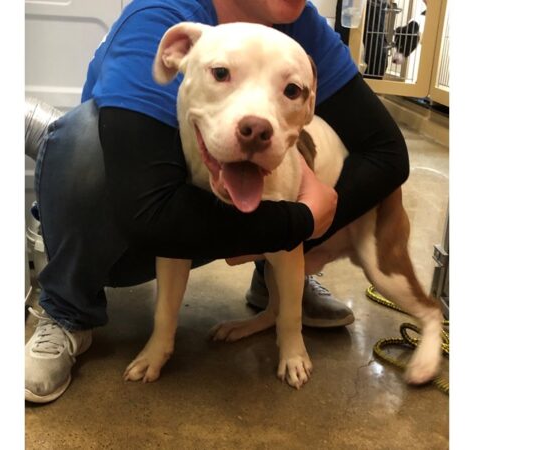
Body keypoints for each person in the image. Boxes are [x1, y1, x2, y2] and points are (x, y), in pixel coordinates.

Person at [25, 0, 409, 403]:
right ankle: (67, 306)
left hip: (204, 220)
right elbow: (149, 215)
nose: (254, 121)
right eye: (222, 74)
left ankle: (274, 284)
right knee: (86, 136)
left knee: (304, 173)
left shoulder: (299, 22)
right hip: (129, 223)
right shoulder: (160, 18)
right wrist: (301, 221)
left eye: (292, 89)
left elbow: (386, 153)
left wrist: (312, 220)